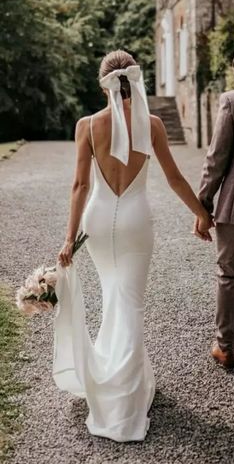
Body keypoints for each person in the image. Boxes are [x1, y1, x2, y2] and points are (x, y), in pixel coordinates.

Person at [55, 50, 211, 442]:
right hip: (136, 223)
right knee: (129, 304)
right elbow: (175, 177)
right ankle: (122, 403)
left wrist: (69, 238)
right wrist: (201, 214)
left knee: (114, 299)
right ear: (135, 80)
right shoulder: (153, 124)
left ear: (102, 81)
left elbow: (80, 186)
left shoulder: (88, 125)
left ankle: (113, 375)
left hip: (97, 221)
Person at [195, 56, 234, 369]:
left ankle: (224, 346)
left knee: (229, 274)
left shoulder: (231, 102)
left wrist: (203, 206)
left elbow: (215, 160)